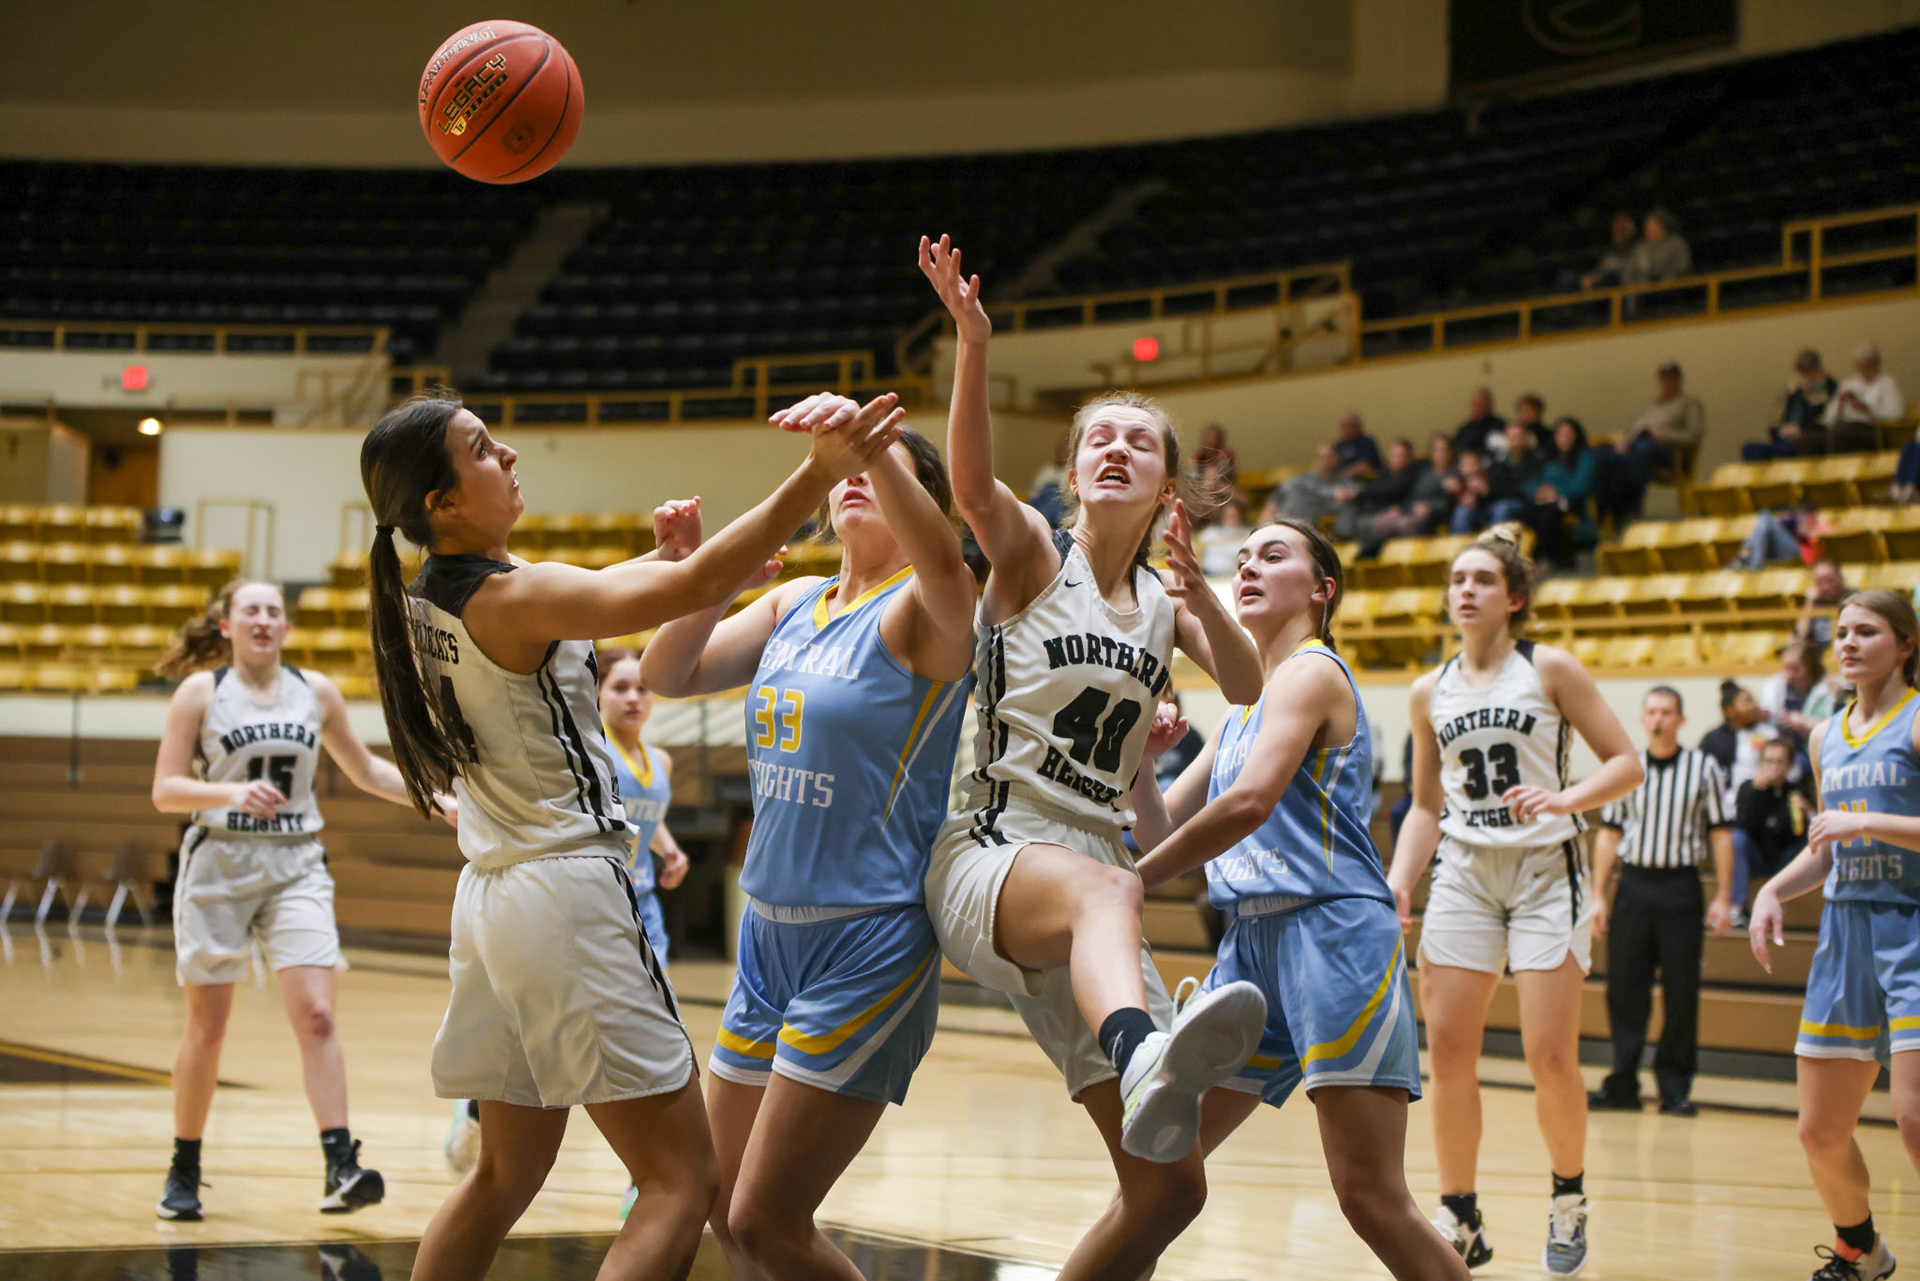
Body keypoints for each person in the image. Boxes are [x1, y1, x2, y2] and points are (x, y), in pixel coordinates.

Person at [358, 385, 903, 1281]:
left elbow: (602, 601)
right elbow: (678, 589)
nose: (510, 457)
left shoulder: (427, 596)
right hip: (565, 894)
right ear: (442, 502)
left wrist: (662, 563)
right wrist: (814, 477)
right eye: (486, 449)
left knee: (504, 1173)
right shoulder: (510, 595)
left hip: (493, 900)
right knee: (682, 1182)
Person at [917, 233, 1269, 1281]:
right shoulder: (1033, 554)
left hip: (1085, 895)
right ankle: (1145, 1046)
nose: (1116, 448)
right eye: (1098, 440)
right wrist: (973, 347)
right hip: (991, 851)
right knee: (1109, 887)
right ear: (1072, 473)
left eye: (1140, 442)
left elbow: (1248, 686)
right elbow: (973, 486)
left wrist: (1204, 595)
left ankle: (1144, 1057)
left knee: (1169, 1185)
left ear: (1166, 487)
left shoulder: (1164, 603)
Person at [641, 397, 976, 1281]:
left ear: (923, 499)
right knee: (721, 1202)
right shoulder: (796, 599)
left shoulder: (925, 610)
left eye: (890, 464)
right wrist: (698, 577)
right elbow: (665, 672)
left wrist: (876, 450)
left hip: (867, 936)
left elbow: (947, 566)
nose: (861, 473)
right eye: (853, 463)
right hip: (768, 931)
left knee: (766, 1217)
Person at [1125, 519, 1470, 1281]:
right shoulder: (1242, 705)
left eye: (1272, 556)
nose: (1248, 566)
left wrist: (1137, 881)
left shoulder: (1313, 672)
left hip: (1332, 933)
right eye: (1240, 557)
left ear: (1322, 590)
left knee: (1369, 1195)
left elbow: (1246, 805)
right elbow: (1156, 828)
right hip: (1249, 943)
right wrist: (1145, 765)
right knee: (1155, 1171)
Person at [149, 580, 456, 1222]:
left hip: (296, 866)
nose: (263, 619)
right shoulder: (200, 694)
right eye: (250, 611)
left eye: (273, 611)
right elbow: (166, 790)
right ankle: (184, 1164)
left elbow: (367, 770)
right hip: (220, 866)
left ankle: (341, 1163)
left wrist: (440, 802)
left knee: (316, 1016)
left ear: (285, 627)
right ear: (228, 625)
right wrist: (228, 795)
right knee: (208, 1030)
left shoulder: (315, 691)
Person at [1385, 531, 1644, 1276]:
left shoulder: (1550, 667)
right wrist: (1403, 878)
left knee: (1550, 1055)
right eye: (1456, 579)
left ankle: (1568, 1195)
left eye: (1482, 579)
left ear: (1515, 597)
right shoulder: (1428, 689)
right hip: (1465, 869)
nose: (1464, 590)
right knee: (1448, 1051)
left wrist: (1564, 797)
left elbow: (1626, 763)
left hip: (1543, 869)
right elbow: (1426, 805)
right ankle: (1460, 1212)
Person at [440, 645, 697, 1183]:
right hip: (590, 902)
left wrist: (668, 849)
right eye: (620, 688)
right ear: (597, 696)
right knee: (563, 1031)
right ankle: (481, 1108)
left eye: (641, 689)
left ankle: (647, 1169)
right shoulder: (590, 751)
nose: (632, 698)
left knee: (659, 1027)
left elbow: (642, 819)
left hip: (644, 903)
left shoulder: (663, 760)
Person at [1749, 590, 1920, 1281]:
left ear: (1906, 643)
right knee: (1820, 1131)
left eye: (1867, 630)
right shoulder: (1824, 735)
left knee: (1912, 1120)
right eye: (1841, 631)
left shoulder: (1914, 722)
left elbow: (1855, 829)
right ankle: (1862, 1251)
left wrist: (1866, 824)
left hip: (1910, 924)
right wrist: (1771, 889)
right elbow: (1826, 847)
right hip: (1844, 933)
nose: (1847, 642)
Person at [1587, 686, 1734, 1116]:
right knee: (1624, 989)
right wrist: (1598, 894)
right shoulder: (1626, 768)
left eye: (1666, 712)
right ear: (1642, 717)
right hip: (1633, 884)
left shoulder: (1703, 768)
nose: (1658, 719)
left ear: (1681, 720)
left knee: (1681, 990)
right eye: (1651, 711)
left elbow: (1720, 834)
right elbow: (1608, 835)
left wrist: (1724, 896)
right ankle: (1623, 1081)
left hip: (1680, 887)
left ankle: (1674, 1086)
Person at [1730, 738, 1811, 922]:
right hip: (1756, 856)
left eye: (1780, 761)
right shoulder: (1748, 788)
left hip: (1784, 859)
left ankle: (1787, 900)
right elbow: (1745, 825)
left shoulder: (1795, 791)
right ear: (1760, 763)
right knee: (1737, 838)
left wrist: (1807, 815)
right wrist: (1758, 792)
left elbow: (1795, 835)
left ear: (1789, 765)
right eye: (1768, 761)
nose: (1774, 766)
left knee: (1809, 838)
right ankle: (1739, 907)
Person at [1622, 361, 1707, 500]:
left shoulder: (1689, 404)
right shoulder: (1651, 407)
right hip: (1639, 445)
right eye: (1664, 379)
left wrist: (1666, 437)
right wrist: (1624, 443)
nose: (1667, 382)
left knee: (1642, 450)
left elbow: (1695, 435)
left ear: (1679, 380)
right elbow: (1634, 429)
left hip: (1670, 452)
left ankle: (1634, 506)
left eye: (1671, 378)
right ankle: (1610, 513)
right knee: (1606, 455)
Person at [1525, 417, 1598, 569]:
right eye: (1560, 434)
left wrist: (1557, 492)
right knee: (1527, 513)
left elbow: (1582, 485)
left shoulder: (1585, 457)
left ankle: (1547, 559)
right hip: (1545, 502)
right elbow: (1531, 481)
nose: (1564, 438)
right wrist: (1538, 491)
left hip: (1573, 503)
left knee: (1550, 514)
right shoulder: (1547, 457)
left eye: (1568, 434)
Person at [1340, 438, 1427, 554]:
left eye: (1401, 456)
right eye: (1394, 455)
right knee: (1350, 509)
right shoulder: (1384, 474)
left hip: (1399, 513)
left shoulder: (1416, 475)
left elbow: (1416, 497)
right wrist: (1355, 493)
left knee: (1371, 523)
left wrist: (1401, 508)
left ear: (1409, 458)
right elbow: (1372, 491)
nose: (1397, 459)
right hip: (1377, 511)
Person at [1748, 350, 1837, 460]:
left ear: (1817, 370)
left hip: (1806, 438)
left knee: (1787, 450)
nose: (1804, 376)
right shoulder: (1794, 391)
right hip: (1785, 437)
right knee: (1750, 449)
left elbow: (1826, 421)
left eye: (1807, 371)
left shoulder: (1830, 389)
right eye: (1801, 372)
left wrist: (1801, 429)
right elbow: (1775, 417)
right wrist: (1779, 430)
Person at [1823, 342, 1905, 454]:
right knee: (1831, 434)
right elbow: (1829, 417)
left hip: (1873, 429)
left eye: (1868, 365)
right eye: (1860, 365)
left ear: (1877, 364)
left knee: (1841, 434)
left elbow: (1896, 414)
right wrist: (1840, 405)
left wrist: (1868, 410)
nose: (1864, 369)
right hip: (1845, 427)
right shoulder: (1849, 384)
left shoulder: (1887, 384)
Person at [1263, 442, 1351, 528]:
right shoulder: (1303, 479)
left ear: (1337, 458)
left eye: (1330, 456)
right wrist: (1269, 512)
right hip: (1281, 522)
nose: (1326, 461)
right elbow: (1277, 495)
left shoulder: (1343, 481)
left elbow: (1346, 497)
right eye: (1322, 457)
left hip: (1304, 525)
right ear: (1316, 460)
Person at [1620, 208, 1692, 285]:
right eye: (1648, 227)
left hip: (1671, 289)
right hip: (1643, 291)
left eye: (1653, 226)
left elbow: (1683, 268)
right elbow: (1629, 271)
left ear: (1663, 227)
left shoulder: (1676, 244)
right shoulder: (1641, 248)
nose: (1649, 230)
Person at [1796, 559, 1854, 648]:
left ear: (1841, 579)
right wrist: (1810, 603)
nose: (1826, 587)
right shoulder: (1814, 602)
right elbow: (1801, 634)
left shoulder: (1854, 599)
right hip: (1817, 652)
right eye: (1820, 582)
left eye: (1830, 580)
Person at [1577, 212, 1640, 290]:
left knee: (1610, 276)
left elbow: (1626, 272)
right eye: (1616, 229)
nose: (1618, 232)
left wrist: (1598, 278)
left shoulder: (1639, 249)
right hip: (1601, 288)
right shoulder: (1611, 252)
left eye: (1622, 229)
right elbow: (1600, 270)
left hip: (1621, 287)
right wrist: (1590, 277)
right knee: (1569, 279)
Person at [1028, 432, 1073, 529]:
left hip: (1062, 510)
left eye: (1068, 450)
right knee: (1049, 492)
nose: (1064, 453)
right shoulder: (1048, 470)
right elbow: (1035, 493)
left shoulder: (1073, 473)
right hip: (1042, 506)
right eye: (1061, 450)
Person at [1453, 387, 1505, 459]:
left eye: (1481, 403)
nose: (1477, 407)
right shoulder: (1464, 430)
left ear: (1489, 405)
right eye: (1475, 403)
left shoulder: (1500, 426)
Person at [1334, 411, 1382, 479]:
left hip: (1360, 481)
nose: (1344, 430)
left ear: (1357, 427)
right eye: (1343, 426)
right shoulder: (1338, 445)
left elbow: (1364, 466)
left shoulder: (1367, 443)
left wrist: (1343, 475)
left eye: (1348, 426)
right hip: (1338, 482)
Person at [1194, 422, 1238, 489]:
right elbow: (1194, 472)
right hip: (1203, 486)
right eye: (1207, 436)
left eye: (1212, 436)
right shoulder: (1200, 455)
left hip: (1223, 486)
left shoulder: (1226, 454)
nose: (1208, 439)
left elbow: (1228, 474)